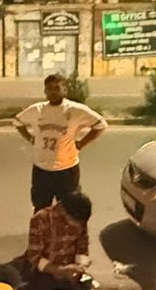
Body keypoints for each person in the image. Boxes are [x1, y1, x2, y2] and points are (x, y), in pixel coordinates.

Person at [15, 74, 107, 208]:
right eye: (49, 88)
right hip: (42, 169)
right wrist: (30, 137)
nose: (53, 92)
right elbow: (18, 122)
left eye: (57, 88)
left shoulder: (75, 110)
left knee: (67, 209)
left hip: (66, 170)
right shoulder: (36, 109)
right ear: (45, 91)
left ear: (65, 90)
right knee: (41, 209)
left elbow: (100, 125)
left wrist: (81, 143)